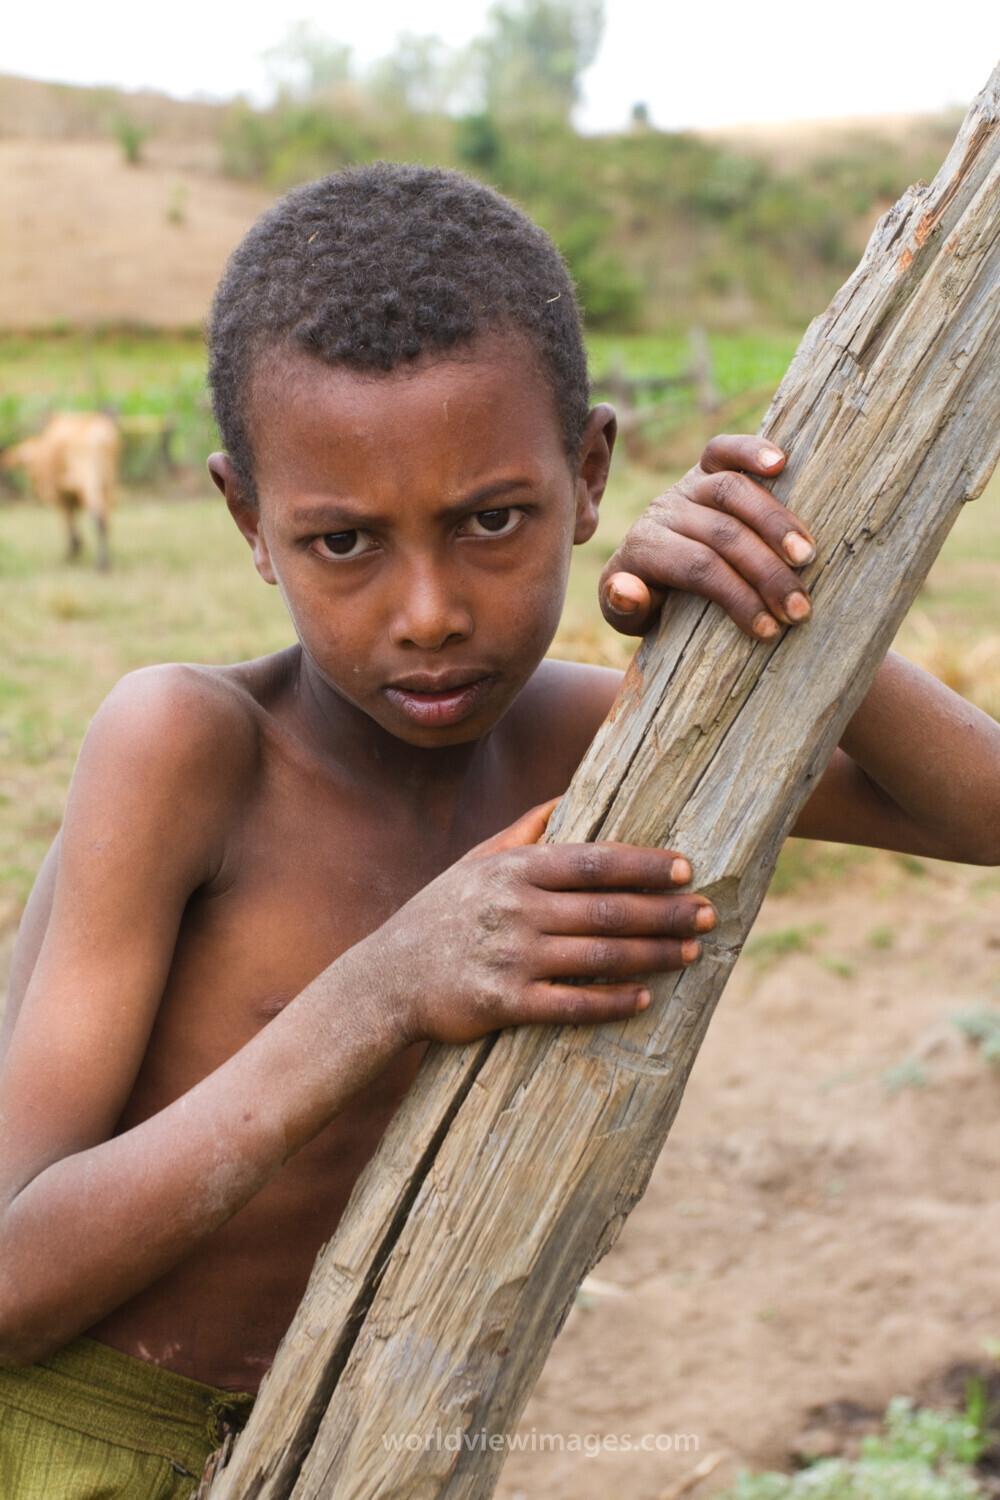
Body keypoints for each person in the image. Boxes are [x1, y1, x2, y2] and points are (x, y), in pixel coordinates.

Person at [0, 163, 997, 1499]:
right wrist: (387, 985)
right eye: (343, 542)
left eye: (492, 521)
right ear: (249, 523)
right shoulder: (186, 749)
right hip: (63, 1442)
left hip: (347, 1447)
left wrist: (773, 600)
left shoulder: (596, 742)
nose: (428, 610)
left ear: (588, 477)